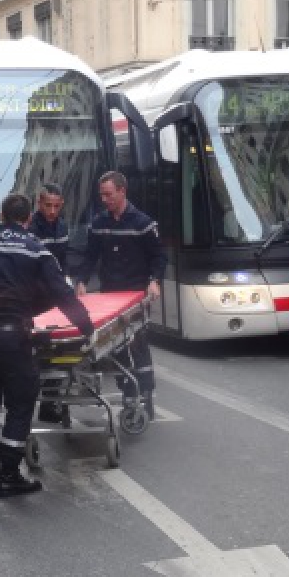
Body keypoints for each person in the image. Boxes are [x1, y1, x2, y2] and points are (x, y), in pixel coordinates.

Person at [0, 193, 94, 506]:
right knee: (20, 401)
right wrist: (85, 328)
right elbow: (62, 293)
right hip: (13, 338)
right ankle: (8, 475)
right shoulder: (36, 250)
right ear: (28, 219)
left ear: (2, 216)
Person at [73, 171, 168, 422]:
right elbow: (90, 256)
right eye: (101, 195)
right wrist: (81, 280)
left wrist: (154, 281)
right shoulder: (99, 223)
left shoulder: (143, 224)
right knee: (113, 345)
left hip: (136, 294)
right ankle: (127, 391)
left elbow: (159, 256)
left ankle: (145, 392)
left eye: (108, 194)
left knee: (137, 342)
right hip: (110, 295)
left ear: (122, 191)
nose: (104, 199)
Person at [30, 183, 70, 424]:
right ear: (39, 204)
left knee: (59, 350)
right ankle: (42, 400)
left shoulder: (62, 227)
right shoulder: (31, 228)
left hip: (54, 295)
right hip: (36, 297)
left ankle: (51, 401)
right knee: (40, 352)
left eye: (57, 206)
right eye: (48, 206)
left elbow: (63, 260)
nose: (53, 211)